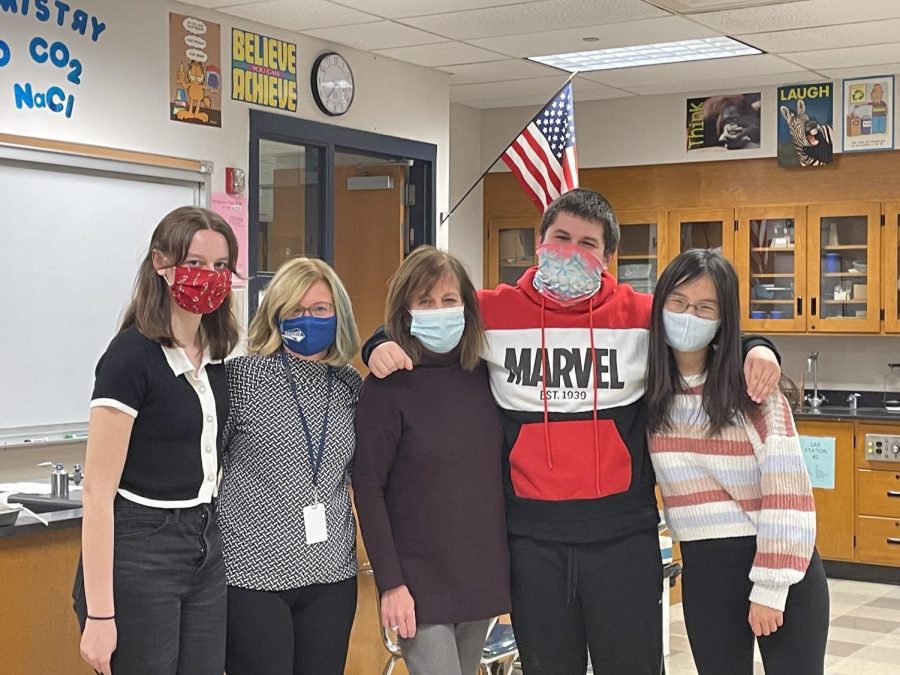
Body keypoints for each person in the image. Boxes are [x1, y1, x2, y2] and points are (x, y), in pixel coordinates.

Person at [363, 189, 782, 674]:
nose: (570, 252)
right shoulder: (491, 313)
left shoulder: (641, 317)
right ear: (539, 243)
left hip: (623, 539)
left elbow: (705, 329)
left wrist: (761, 346)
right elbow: (424, 316)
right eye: (560, 237)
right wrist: (377, 342)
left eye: (587, 244)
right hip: (532, 543)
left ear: (608, 257)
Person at [647, 249, 829, 674]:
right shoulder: (650, 391)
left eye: (705, 306)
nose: (688, 314)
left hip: (779, 568)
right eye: (677, 302)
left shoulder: (754, 392)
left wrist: (769, 587)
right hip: (704, 569)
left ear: (723, 319)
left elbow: (788, 496)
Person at [75, 206, 240, 675]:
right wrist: (100, 613)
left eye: (221, 267)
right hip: (142, 548)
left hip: (205, 543)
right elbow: (97, 492)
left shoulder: (217, 352)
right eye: (196, 263)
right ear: (161, 263)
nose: (209, 276)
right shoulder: (130, 356)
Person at [352, 246, 510, 675]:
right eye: (425, 301)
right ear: (406, 310)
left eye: (448, 300)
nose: (438, 311)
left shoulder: (486, 375)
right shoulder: (386, 388)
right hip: (417, 581)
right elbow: (368, 488)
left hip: (480, 571)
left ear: (466, 306)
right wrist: (391, 583)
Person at [217, 257, 362, 675]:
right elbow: (207, 464)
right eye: (295, 310)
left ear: (339, 315)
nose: (308, 318)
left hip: (331, 577)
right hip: (252, 576)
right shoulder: (243, 378)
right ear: (275, 315)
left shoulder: (352, 386)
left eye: (320, 309)